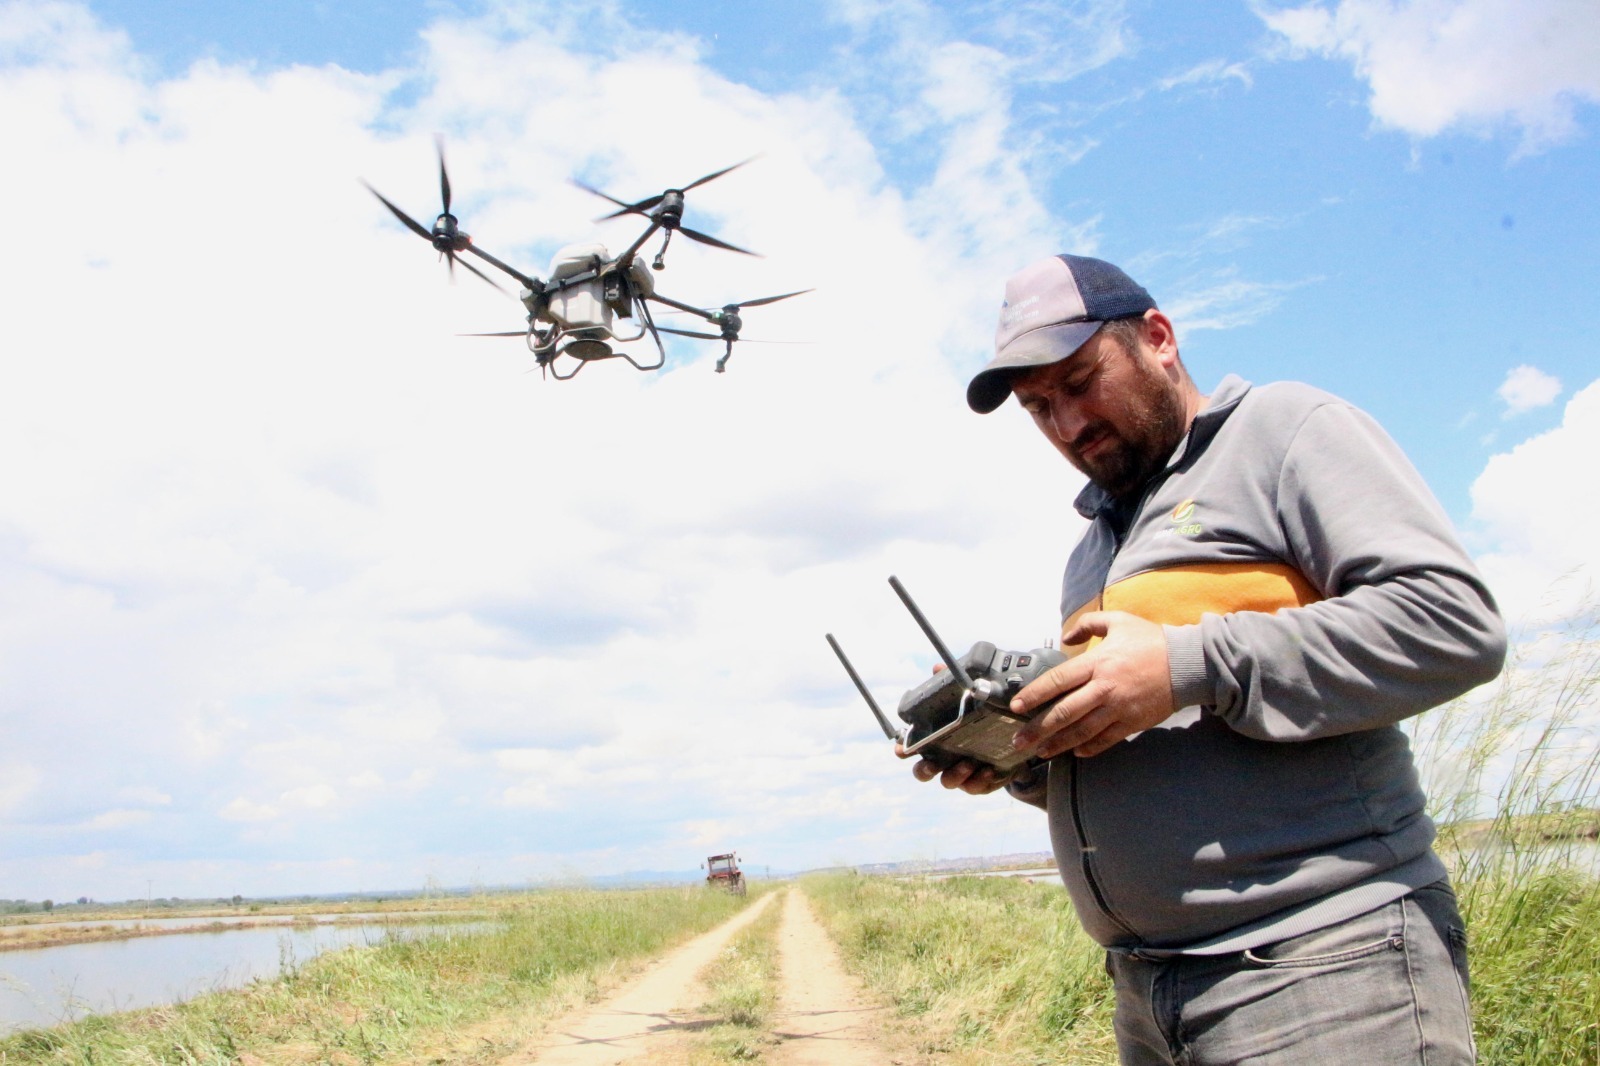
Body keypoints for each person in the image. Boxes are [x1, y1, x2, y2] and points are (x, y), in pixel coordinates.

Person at [912, 253, 1506, 1064]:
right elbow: (1159, 745)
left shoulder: (1284, 429)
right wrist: (1020, 758)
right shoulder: (1092, 553)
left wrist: (1189, 662)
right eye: (1038, 406)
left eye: (1081, 380)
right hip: (1149, 992)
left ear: (1158, 337)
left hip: (1324, 970)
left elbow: (1453, 623)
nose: (1067, 424)